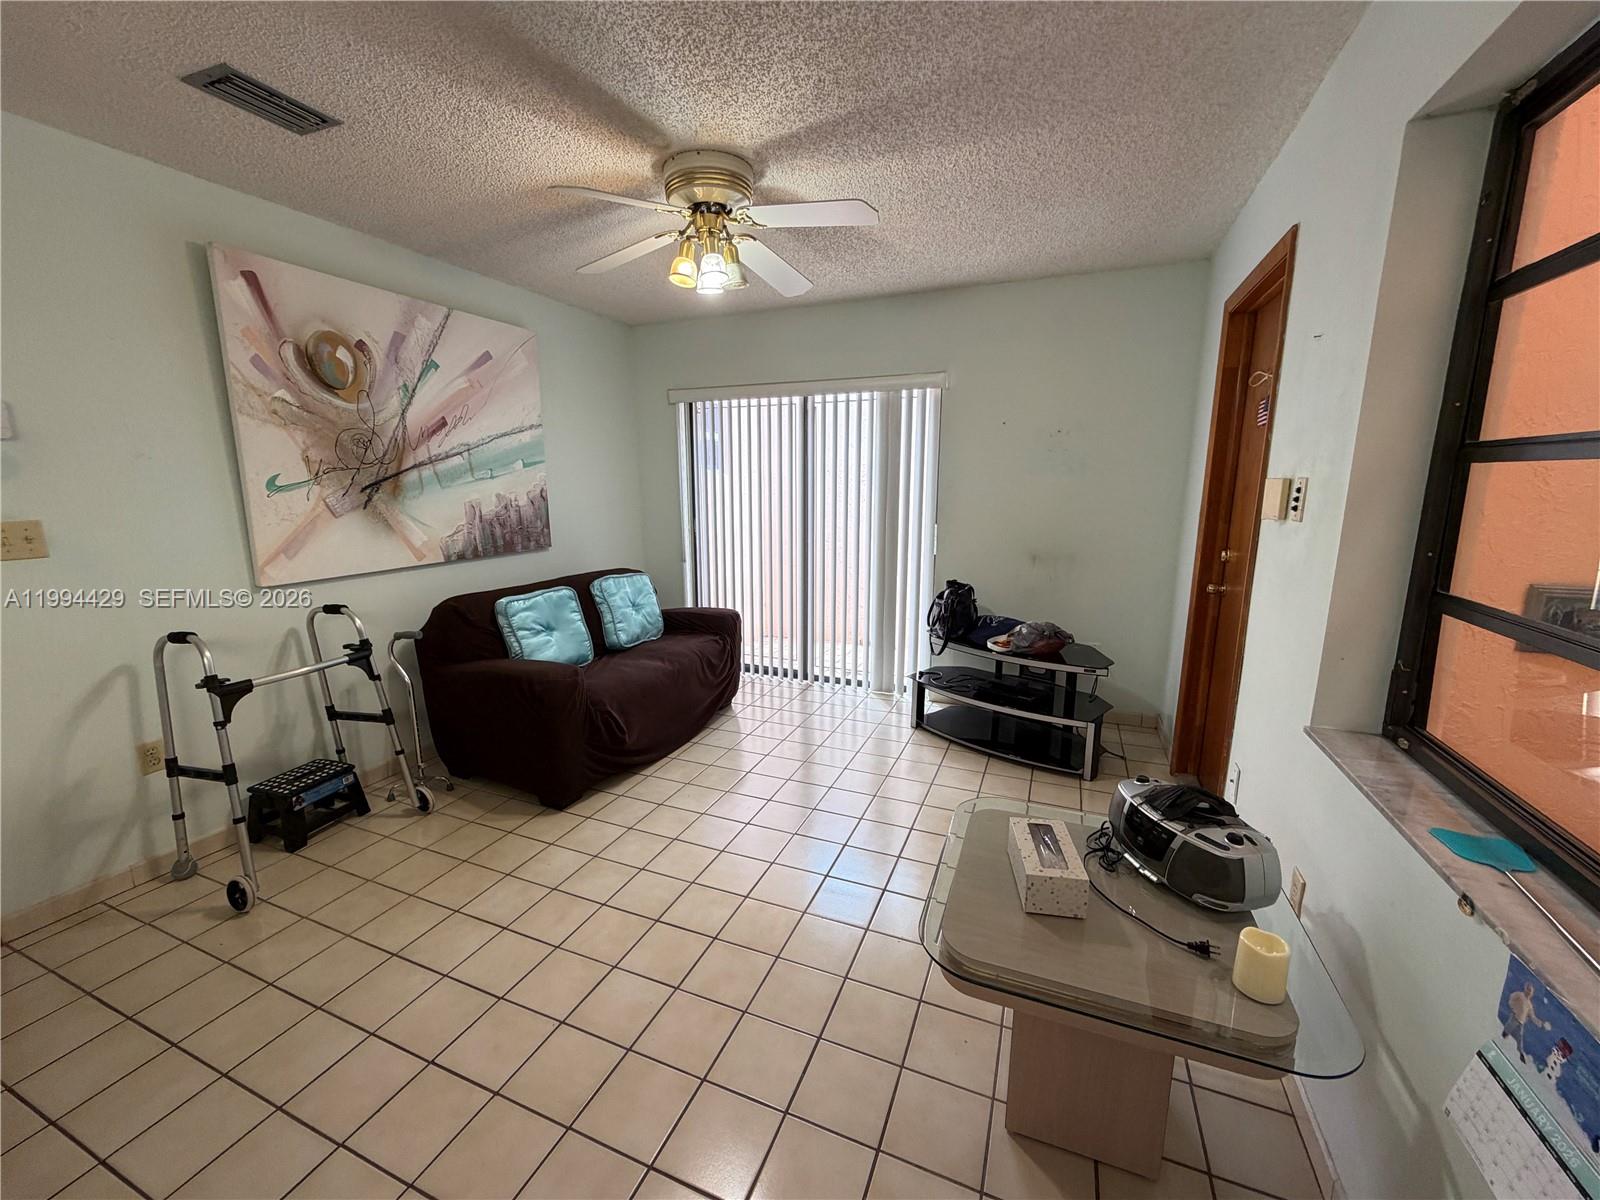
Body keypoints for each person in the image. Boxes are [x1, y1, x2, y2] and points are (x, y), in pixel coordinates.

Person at [1501, 981, 1551, 1062]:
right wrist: (1513, 1007)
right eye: (1528, 990)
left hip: (1521, 1022)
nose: (1529, 993)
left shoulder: (1529, 1004)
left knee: (1519, 1037)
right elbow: (1511, 998)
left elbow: (1532, 1016)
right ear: (1525, 990)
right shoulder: (1519, 995)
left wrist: (1540, 1024)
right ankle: (1503, 1038)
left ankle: (1520, 1053)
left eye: (1531, 991)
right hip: (1514, 1018)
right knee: (1507, 1029)